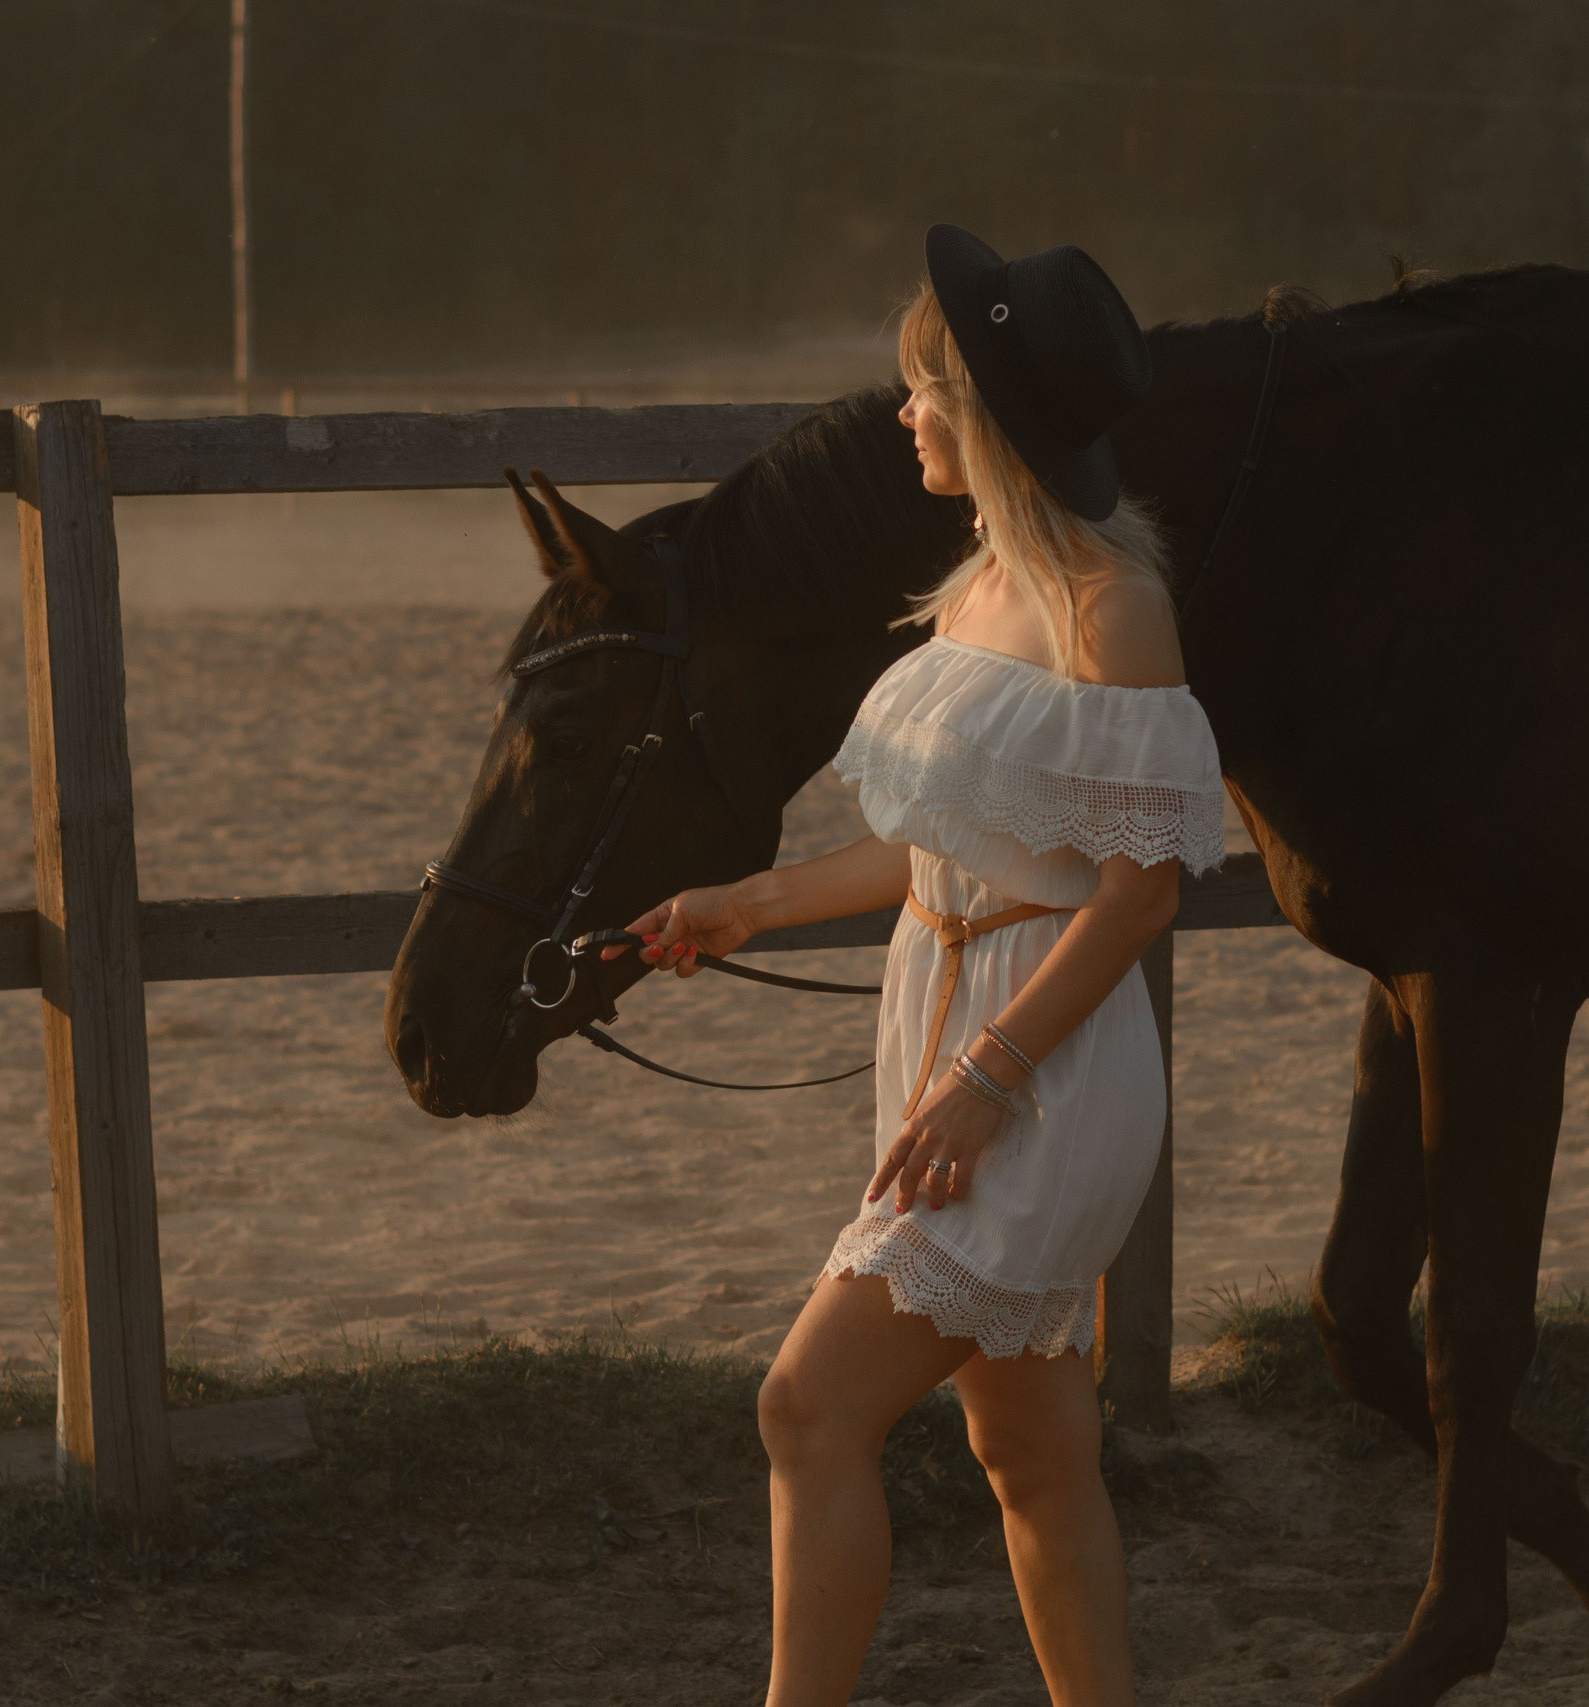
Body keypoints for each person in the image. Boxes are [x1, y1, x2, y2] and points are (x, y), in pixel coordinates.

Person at [610, 227, 1225, 1707]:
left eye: (923, 388)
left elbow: (1138, 896)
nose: (902, 414)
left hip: (1041, 1066)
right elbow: (942, 847)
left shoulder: (1111, 611)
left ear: (990, 409)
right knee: (1028, 1449)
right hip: (942, 1021)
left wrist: (987, 1076)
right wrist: (751, 898)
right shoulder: (971, 592)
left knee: (807, 1406)